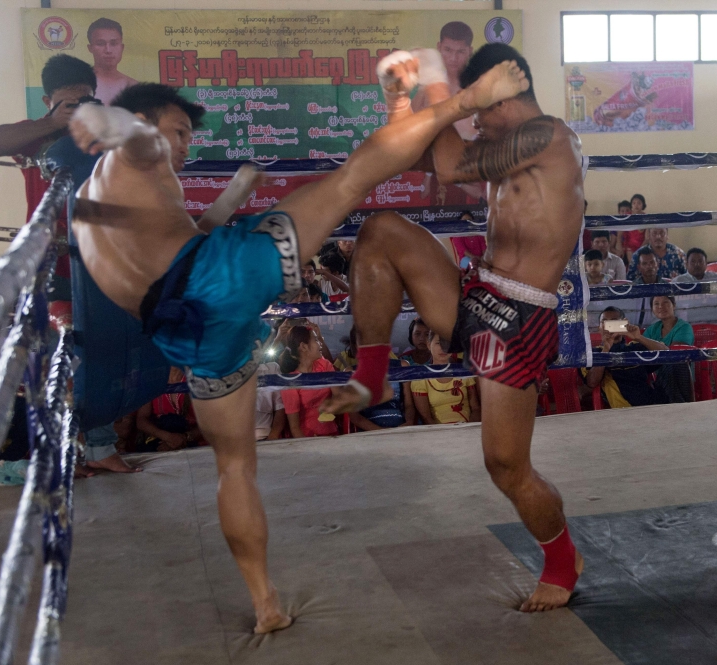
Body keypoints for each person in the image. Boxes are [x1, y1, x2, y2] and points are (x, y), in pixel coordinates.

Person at [68, 62, 528, 631]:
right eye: (179, 132)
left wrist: (226, 202)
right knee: (353, 178)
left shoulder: (86, 202)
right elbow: (137, 140)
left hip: (183, 331)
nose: (184, 146)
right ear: (144, 119)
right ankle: (469, 99)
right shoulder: (138, 152)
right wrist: (104, 120)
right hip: (217, 280)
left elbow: (169, 247)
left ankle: (265, 602)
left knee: (234, 467)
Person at [322, 44, 585, 612]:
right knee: (380, 231)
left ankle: (564, 559)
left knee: (505, 466)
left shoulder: (549, 137)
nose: (476, 121)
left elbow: (447, 164)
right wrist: (401, 102)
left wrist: (438, 84)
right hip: (477, 290)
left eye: (482, 107)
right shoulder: (502, 145)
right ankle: (372, 374)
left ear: (506, 94)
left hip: (519, 317)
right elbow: (410, 154)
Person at [0, 54, 98, 304]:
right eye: (69, 104)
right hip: (49, 263)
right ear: (48, 102)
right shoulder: (36, 134)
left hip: (100, 260)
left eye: (84, 101)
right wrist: (52, 123)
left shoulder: (107, 134)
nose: (77, 110)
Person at [582, 307, 665, 408]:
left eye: (614, 322)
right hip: (625, 409)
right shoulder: (595, 353)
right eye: (604, 322)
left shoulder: (635, 347)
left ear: (624, 324)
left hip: (652, 405)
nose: (609, 326)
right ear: (599, 328)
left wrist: (639, 337)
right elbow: (592, 382)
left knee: (676, 366)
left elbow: (666, 354)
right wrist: (606, 349)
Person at [335, 327, 415, 430]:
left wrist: (408, 423)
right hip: (369, 433)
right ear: (356, 346)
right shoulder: (350, 372)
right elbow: (355, 416)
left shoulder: (402, 366)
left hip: (400, 430)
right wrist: (380, 431)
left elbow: (409, 405)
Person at [412, 21, 476, 140]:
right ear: (439, 47)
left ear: (470, 51)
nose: (453, 58)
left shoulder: (479, 86)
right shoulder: (428, 88)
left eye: (460, 52)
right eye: (448, 50)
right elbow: (408, 129)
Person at [279, 326, 341, 439]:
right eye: (316, 340)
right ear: (303, 346)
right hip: (306, 438)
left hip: (332, 435)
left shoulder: (325, 365)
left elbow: (338, 397)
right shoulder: (291, 381)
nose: (320, 343)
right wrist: (309, 444)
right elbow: (295, 428)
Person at [410, 330, 480, 424]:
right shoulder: (420, 378)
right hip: (438, 431)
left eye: (448, 343)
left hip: (466, 427)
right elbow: (426, 418)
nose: (443, 348)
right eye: (438, 343)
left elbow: (476, 409)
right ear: (429, 345)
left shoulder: (463, 372)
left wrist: (468, 428)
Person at [135, 368, 203, 452]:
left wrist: (185, 437)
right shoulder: (152, 381)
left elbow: (211, 420)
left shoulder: (198, 378)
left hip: (198, 445)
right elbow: (141, 420)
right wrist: (168, 437)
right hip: (160, 443)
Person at [86, 18, 138, 104]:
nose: (108, 50)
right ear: (90, 48)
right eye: (101, 44)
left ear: (122, 47)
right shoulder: (79, 85)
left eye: (113, 44)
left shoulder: (133, 86)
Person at [254, 362, 286, 442]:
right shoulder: (228, 371)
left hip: (263, 437)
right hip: (232, 439)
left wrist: (273, 435)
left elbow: (280, 407)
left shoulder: (272, 369)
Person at [619, 194, 648, 265]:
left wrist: (639, 251)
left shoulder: (646, 218)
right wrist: (620, 248)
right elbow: (619, 235)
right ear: (631, 205)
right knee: (632, 265)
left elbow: (647, 238)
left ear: (643, 205)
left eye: (639, 203)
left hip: (642, 246)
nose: (636, 205)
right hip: (629, 247)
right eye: (634, 203)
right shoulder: (627, 217)